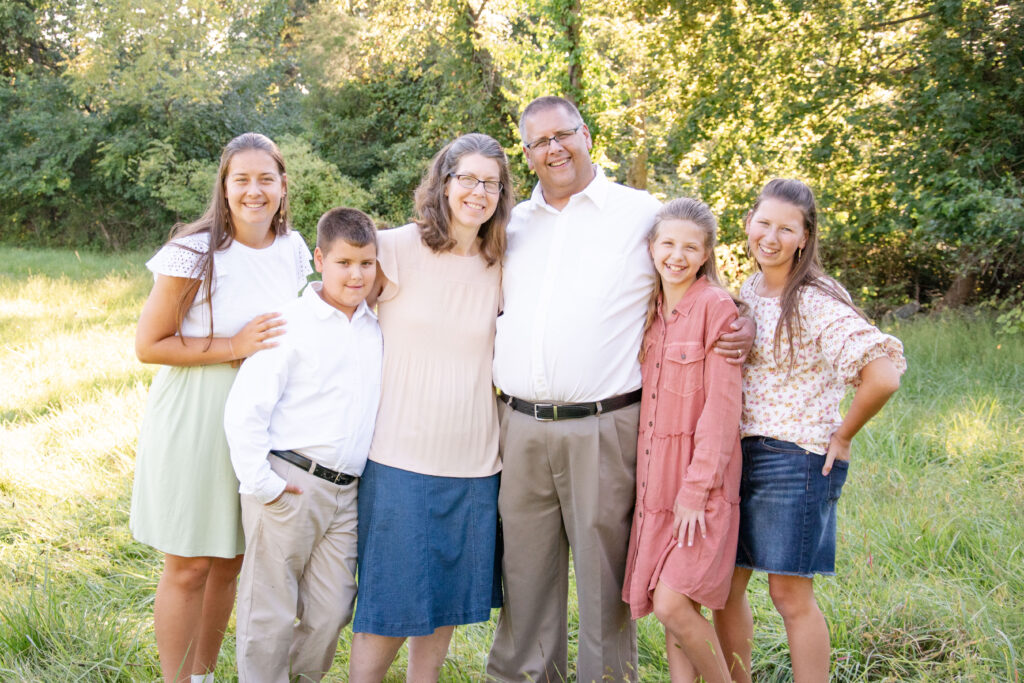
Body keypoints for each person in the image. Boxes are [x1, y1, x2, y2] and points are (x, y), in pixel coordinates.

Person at [486, 96, 753, 683]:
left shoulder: (639, 214)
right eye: (538, 142)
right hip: (521, 424)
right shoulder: (510, 223)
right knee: (526, 572)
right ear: (525, 153)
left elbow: (694, 271)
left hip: (605, 424)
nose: (553, 149)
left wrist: (745, 316)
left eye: (563, 135)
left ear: (585, 133)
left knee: (606, 577)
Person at [131, 132, 312, 683]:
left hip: (266, 418)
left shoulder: (295, 249)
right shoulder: (194, 251)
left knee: (232, 561)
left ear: (283, 185)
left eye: (266, 178)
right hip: (199, 413)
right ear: (225, 187)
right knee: (189, 563)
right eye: (242, 179)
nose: (254, 190)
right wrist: (234, 346)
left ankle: (204, 677)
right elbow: (149, 344)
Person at [714, 179, 906, 682]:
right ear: (748, 223)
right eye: (763, 223)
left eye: (785, 228)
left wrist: (842, 436)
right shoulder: (752, 288)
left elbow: (883, 374)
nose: (770, 237)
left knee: (789, 595)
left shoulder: (814, 298)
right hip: (740, 454)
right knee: (724, 588)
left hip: (795, 459)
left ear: (805, 237)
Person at [347, 133, 513, 683]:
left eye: (491, 182)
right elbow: (331, 317)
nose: (478, 191)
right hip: (399, 456)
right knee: (389, 602)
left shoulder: (503, 264)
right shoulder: (393, 248)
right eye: (467, 178)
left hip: (474, 461)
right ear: (443, 183)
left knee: (442, 600)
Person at [223, 208, 382, 682]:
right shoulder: (288, 323)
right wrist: (261, 484)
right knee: (268, 613)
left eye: (367, 264)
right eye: (344, 263)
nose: (356, 275)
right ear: (319, 259)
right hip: (290, 481)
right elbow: (245, 409)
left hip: (347, 490)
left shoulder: (377, 326)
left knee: (332, 610)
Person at [621, 198, 743, 683]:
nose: (677, 255)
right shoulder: (649, 311)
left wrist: (696, 491)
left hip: (700, 488)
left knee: (673, 604)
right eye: (667, 243)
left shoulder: (715, 306)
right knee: (673, 611)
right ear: (651, 247)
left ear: (707, 252)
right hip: (656, 488)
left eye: (690, 247)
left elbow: (722, 408)